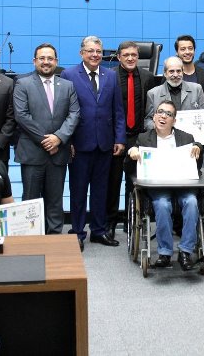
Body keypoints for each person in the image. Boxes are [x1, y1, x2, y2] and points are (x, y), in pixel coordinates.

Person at [61, 36, 125, 248]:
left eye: (98, 51)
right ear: (82, 53)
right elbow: (63, 112)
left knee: (100, 191)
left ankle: (98, 230)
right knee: (78, 190)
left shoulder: (111, 75)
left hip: (105, 144)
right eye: (90, 51)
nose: (95, 54)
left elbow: (118, 110)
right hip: (79, 144)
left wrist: (120, 138)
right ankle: (77, 231)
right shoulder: (68, 75)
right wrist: (67, 140)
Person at [127, 101, 203, 270]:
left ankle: (185, 251)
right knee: (161, 205)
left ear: (174, 120)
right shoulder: (143, 138)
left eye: (168, 114)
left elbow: (197, 167)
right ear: (154, 116)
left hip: (183, 185)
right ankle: (165, 252)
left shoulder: (187, 138)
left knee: (191, 202)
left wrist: (198, 148)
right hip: (158, 187)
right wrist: (131, 151)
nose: (163, 116)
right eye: (160, 112)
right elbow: (130, 167)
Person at [14, 43, 80, 236]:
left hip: (58, 153)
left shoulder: (67, 86)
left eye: (50, 58)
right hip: (33, 153)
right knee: (31, 201)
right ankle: (31, 239)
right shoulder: (22, 83)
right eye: (42, 58)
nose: (46, 62)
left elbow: (74, 114)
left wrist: (58, 138)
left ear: (56, 62)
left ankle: (54, 239)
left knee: (55, 201)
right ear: (34, 61)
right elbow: (22, 115)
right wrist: (47, 140)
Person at [107, 40, 157, 239]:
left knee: (135, 183)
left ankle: (132, 223)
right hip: (114, 139)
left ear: (139, 57)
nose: (130, 58)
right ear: (118, 57)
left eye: (134, 55)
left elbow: (150, 109)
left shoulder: (147, 77)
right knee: (112, 183)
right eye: (126, 55)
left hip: (139, 139)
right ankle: (109, 224)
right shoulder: (109, 76)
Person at [144, 56, 204, 130]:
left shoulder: (197, 89)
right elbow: (148, 121)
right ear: (165, 73)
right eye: (171, 71)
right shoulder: (153, 94)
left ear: (183, 72)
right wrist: (158, 128)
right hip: (164, 137)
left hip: (191, 136)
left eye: (178, 71)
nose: (176, 75)